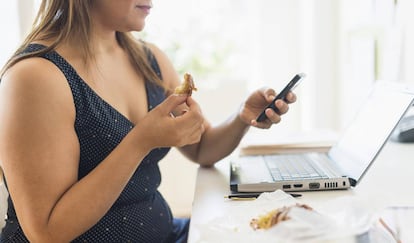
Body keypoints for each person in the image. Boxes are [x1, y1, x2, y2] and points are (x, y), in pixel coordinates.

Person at [0, 1, 296, 242]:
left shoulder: (148, 59)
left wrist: (242, 116)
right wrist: (141, 141)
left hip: (166, 234)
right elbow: (47, 233)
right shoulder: (34, 78)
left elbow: (202, 148)